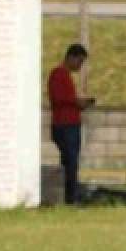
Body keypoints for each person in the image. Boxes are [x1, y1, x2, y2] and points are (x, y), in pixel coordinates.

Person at [47, 43, 94, 205]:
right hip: (65, 125)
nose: (80, 66)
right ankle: (70, 197)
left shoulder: (64, 75)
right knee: (70, 162)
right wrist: (77, 102)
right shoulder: (58, 74)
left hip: (69, 124)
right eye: (79, 62)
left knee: (71, 161)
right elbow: (59, 99)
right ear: (71, 57)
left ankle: (70, 194)